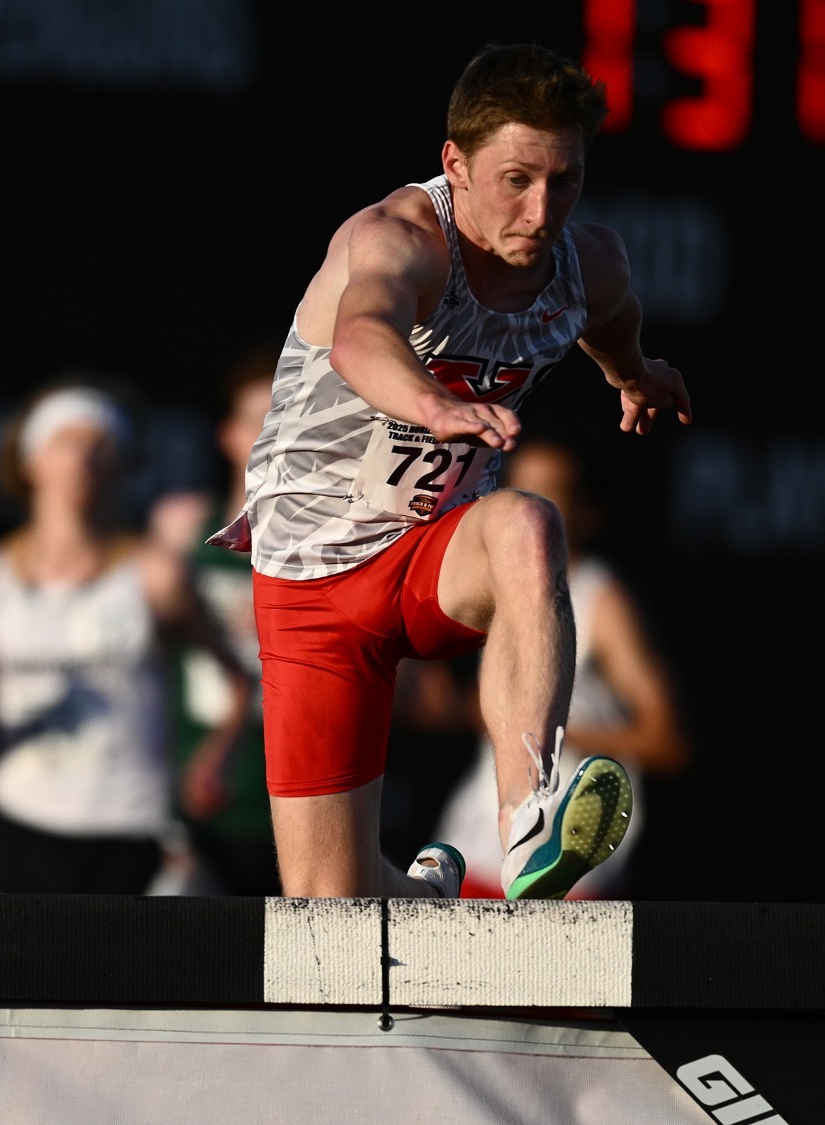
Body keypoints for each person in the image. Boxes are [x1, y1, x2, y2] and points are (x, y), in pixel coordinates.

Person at [207, 44, 692, 900]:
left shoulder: (591, 265)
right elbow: (362, 335)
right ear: (455, 166)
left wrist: (633, 373)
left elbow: (612, 317)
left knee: (527, 522)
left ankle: (528, 822)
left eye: (565, 182)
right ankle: (426, 895)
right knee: (331, 905)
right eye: (516, 180)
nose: (542, 211)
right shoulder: (398, 238)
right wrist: (432, 405)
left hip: (431, 549)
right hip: (314, 579)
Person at [0, 384, 249, 894]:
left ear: (120, 467)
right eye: (66, 442)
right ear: (31, 462)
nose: (82, 459)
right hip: (19, 827)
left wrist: (211, 760)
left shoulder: (153, 575)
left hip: (131, 831)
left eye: (99, 447)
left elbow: (240, 681)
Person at [431, 438, 690, 898]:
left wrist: (536, 726)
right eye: (518, 491)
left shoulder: (602, 600)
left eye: (548, 494)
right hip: (475, 857)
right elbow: (447, 707)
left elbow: (665, 740)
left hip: (569, 876)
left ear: (587, 511)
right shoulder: (484, 587)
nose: (525, 511)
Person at [149, 354, 283, 896]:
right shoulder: (180, 527)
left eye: (287, 417)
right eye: (258, 418)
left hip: (286, 790)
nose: (273, 433)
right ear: (227, 435)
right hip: (190, 790)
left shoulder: (337, 547)